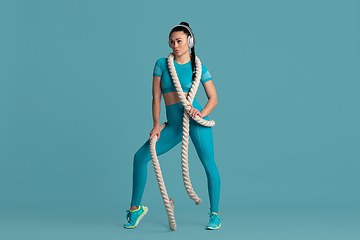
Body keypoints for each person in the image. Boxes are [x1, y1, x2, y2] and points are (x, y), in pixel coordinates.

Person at [124, 22, 221, 230]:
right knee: (140, 157)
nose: (174, 45)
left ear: (190, 42)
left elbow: (213, 98)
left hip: (194, 122)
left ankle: (214, 214)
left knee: (209, 165)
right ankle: (135, 208)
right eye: (171, 41)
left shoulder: (199, 68)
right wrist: (156, 125)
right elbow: (156, 97)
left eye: (179, 41)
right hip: (174, 124)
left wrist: (201, 113)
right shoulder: (161, 64)